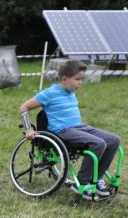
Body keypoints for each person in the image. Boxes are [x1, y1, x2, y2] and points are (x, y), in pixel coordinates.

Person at [18, 59, 121, 201]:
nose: (81, 82)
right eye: (77, 79)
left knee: (114, 140)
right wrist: (28, 129)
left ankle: (95, 179)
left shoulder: (71, 91)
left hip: (79, 127)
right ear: (65, 79)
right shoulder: (49, 93)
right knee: (98, 143)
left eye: (82, 79)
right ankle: (82, 182)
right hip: (62, 131)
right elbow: (23, 107)